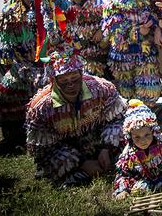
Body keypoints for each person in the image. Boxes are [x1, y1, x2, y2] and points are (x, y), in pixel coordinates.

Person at [25, 50, 126, 186]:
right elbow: (42, 149)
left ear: (81, 74)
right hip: (66, 149)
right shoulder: (41, 108)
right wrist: (81, 163)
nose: (71, 84)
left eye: (74, 78)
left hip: (98, 141)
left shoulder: (102, 88)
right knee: (56, 165)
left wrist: (106, 148)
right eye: (63, 80)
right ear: (53, 80)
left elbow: (118, 119)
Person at [0, 0, 61, 146]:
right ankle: (15, 136)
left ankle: (52, 136)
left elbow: (61, 35)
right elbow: (8, 43)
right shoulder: (10, 12)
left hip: (48, 63)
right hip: (23, 64)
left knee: (41, 89)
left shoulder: (49, 5)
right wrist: (20, 61)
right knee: (6, 90)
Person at [102, 0, 162, 107]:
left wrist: (154, 24)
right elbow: (111, 25)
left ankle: (148, 119)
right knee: (126, 90)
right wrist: (136, 31)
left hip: (145, 51)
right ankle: (132, 122)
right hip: (122, 53)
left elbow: (159, 11)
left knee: (149, 88)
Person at [113, 99, 162, 199]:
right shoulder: (129, 153)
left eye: (147, 135)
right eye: (137, 137)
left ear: (153, 131)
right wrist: (123, 190)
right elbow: (124, 174)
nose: (143, 140)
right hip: (144, 181)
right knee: (139, 188)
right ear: (129, 136)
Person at [62, 0, 108, 78]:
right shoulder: (67, 7)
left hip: (100, 48)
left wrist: (101, 30)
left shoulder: (98, 1)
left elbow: (109, 18)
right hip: (80, 51)